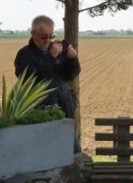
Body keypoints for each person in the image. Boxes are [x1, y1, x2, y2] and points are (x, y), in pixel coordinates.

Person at [14, 15, 82, 152]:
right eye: (43, 37)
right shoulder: (24, 55)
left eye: (51, 36)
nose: (48, 41)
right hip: (40, 117)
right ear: (33, 34)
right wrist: (51, 57)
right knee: (45, 154)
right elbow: (30, 79)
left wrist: (72, 58)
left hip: (64, 113)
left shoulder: (56, 49)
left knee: (74, 153)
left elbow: (70, 75)